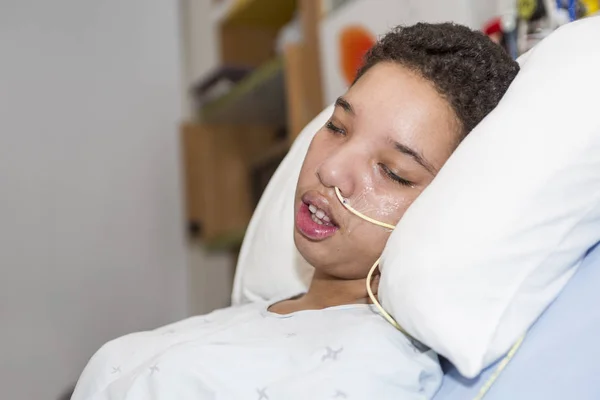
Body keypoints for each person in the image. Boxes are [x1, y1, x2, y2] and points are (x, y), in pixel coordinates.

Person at [72, 23, 519, 400]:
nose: (330, 169)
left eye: (392, 171)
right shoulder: (253, 314)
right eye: (338, 127)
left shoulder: (372, 371)